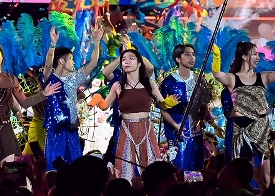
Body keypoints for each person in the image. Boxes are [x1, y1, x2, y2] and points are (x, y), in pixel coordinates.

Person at [213, 41, 275, 182]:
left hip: (262, 127)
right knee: (242, 169)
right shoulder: (232, 78)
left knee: (269, 170)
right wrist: (217, 56)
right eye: (254, 54)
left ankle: (270, 193)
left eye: (258, 54)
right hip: (242, 129)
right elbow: (217, 74)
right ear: (244, 56)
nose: (258, 57)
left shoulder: (263, 77)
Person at [0, 41, 59, 186]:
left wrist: (44, 94)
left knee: (8, 175)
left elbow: (25, 103)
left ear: (2, 56)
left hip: (6, 130)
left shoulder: (11, 79)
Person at [41, 22, 103, 171]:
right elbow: (48, 65)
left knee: (75, 168)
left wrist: (96, 42)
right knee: (54, 168)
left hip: (72, 130)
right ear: (61, 61)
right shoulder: (50, 78)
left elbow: (93, 64)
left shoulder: (73, 78)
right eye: (71, 58)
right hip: (55, 132)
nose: (74, 62)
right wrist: (53, 45)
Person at [96, 47, 165, 180]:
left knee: (151, 168)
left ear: (139, 63)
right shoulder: (117, 85)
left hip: (146, 130)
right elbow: (104, 106)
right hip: (126, 130)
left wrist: (169, 102)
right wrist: (97, 99)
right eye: (123, 59)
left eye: (131, 59)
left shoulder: (149, 83)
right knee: (125, 169)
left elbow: (162, 103)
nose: (126, 61)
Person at [159, 42, 209, 175]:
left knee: (196, 170)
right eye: (187, 54)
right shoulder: (168, 82)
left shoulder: (199, 80)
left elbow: (204, 105)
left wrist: (201, 119)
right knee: (178, 169)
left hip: (196, 133)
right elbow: (163, 109)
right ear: (178, 59)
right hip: (176, 132)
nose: (192, 58)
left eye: (193, 54)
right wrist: (175, 125)